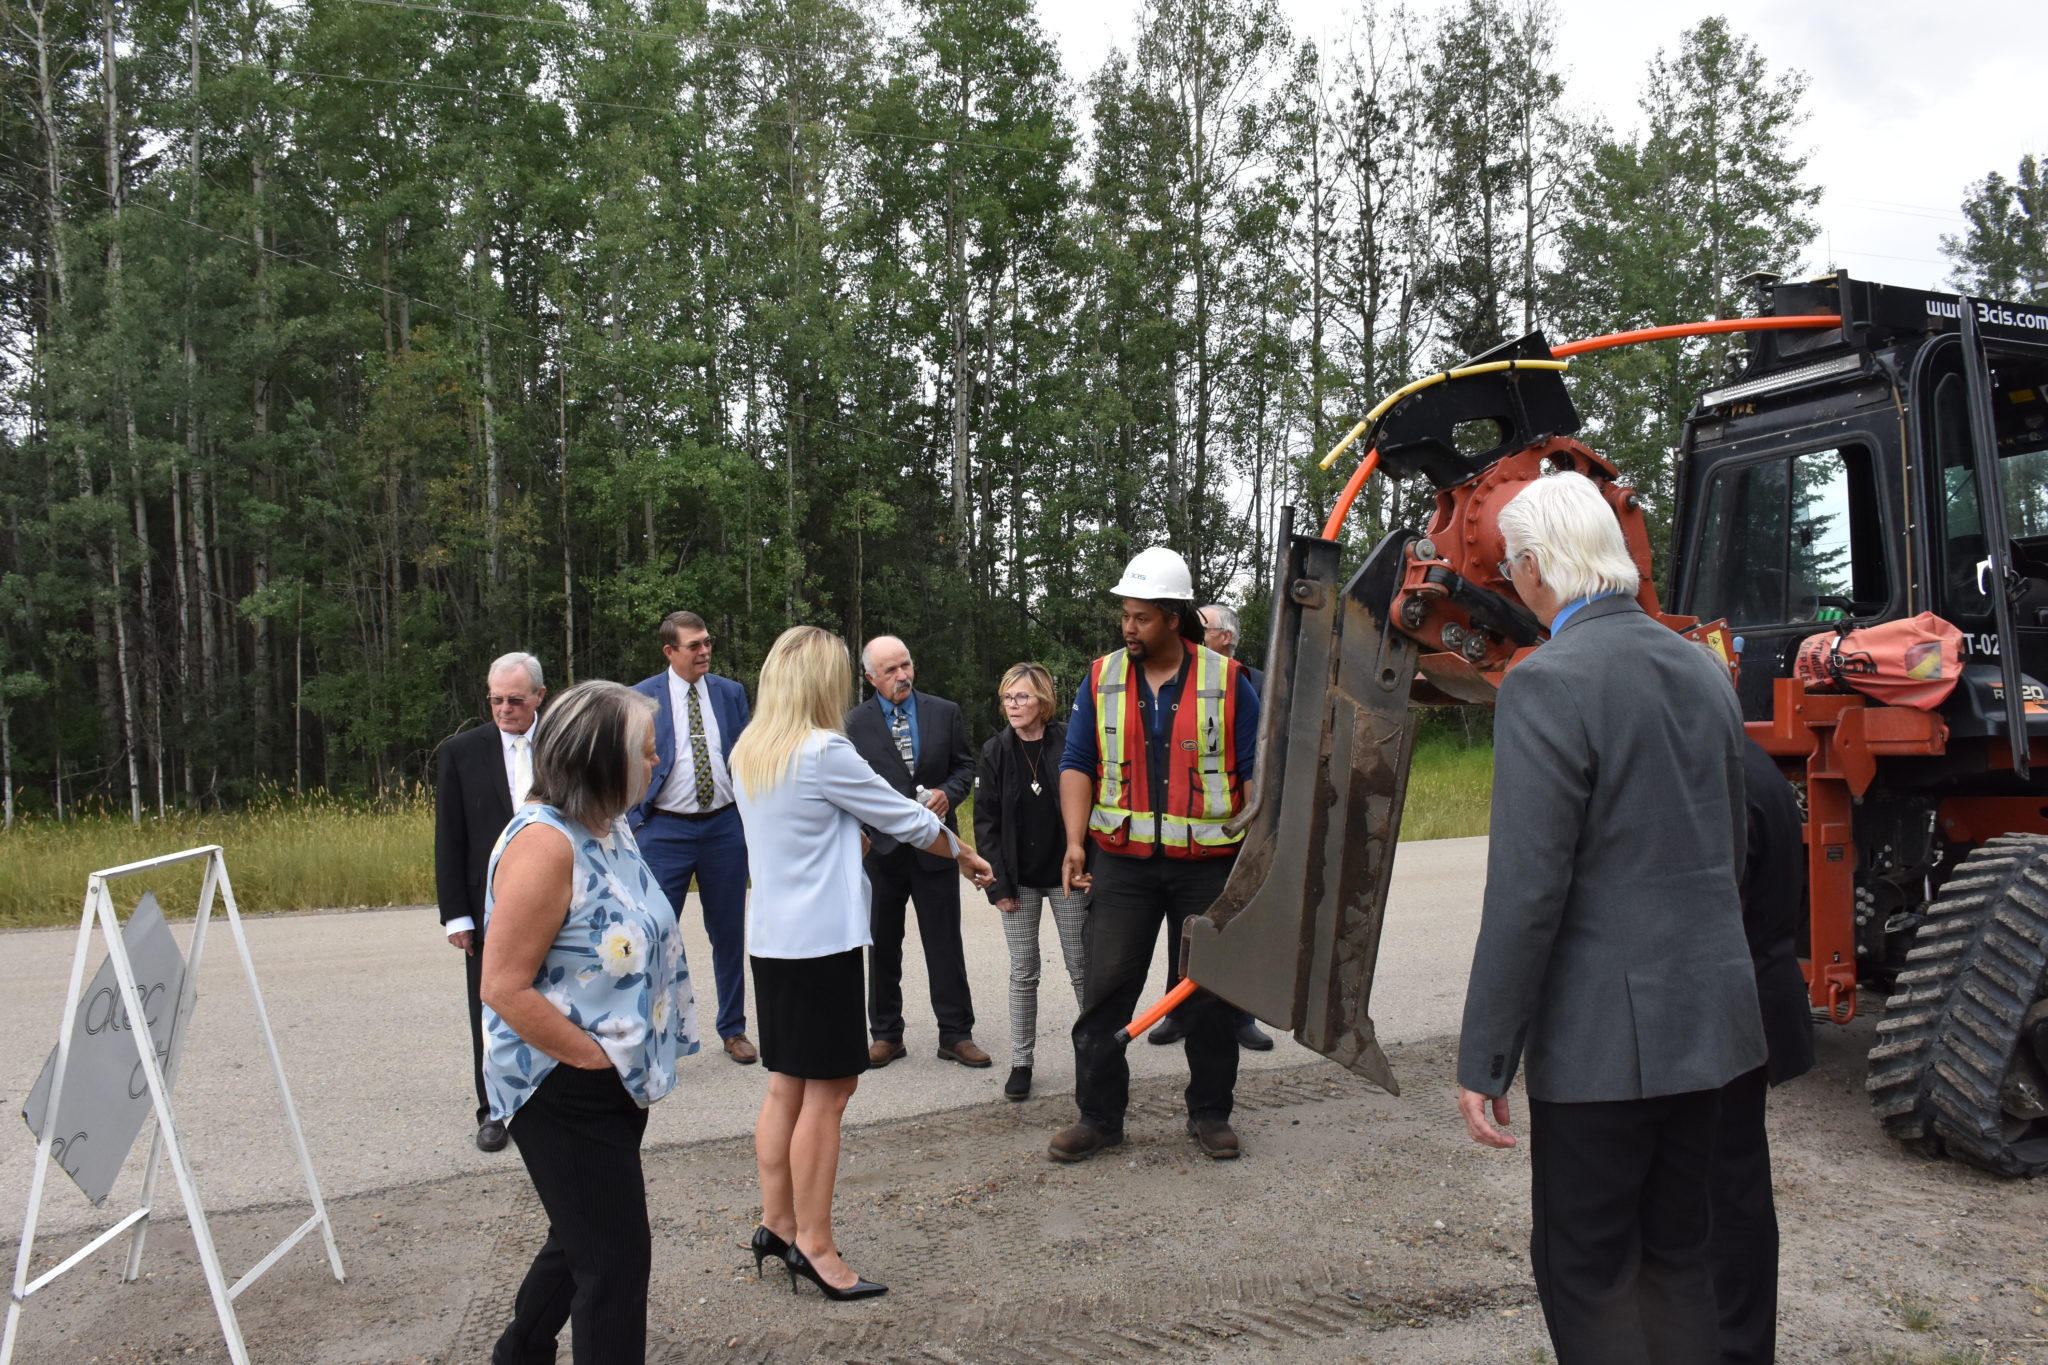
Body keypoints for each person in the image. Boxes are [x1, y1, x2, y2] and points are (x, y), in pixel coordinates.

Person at [1455, 471, 1765, 1365]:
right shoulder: (1703, 670)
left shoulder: (1547, 682)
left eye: (1514, 564)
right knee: (1678, 1258)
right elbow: (1730, 847)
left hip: (1601, 1052)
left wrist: (1485, 1056)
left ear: (1542, 564)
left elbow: (1527, 891)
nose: (1511, 581)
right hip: (1711, 1027)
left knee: (1586, 1270)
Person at [732, 626, 995, 1301]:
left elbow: (819, 833)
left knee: (786, 1084)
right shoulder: (825, 751)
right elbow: (904, 819)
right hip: (821, 944)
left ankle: (776, 1223)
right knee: (830, 1092)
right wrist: (962, 854)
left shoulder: (751, 749)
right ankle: (815, 1246)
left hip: (772, 940)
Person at [478, 680, 696, 1365]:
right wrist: (590, 1056)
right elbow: (503, 984)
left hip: (609, 1080)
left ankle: (519, 1352)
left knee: (580, 1236)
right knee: (615, 1264)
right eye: (648, 750)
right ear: (601, 758)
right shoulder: (545, 845)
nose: (658, 761)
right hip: (562, 1085)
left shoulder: (607, 821)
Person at [1051, 547, 1262, 1163]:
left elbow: (1253, 774)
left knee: (1209, 996)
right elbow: (1077, 764)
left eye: (1141, 617)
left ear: (1174, 617)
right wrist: (1073, 842)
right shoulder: (1101, 677)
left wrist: (1255, 860)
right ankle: (1098, 1118)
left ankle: (1210, 1116)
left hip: (1208, 866)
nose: (1128, 627)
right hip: (1122, 866)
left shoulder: (1230, 682)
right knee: (1104, 992)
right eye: (1125, 615)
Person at [1709, 739, 1816, 1364]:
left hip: (1729, 1007)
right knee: (1737, 1185)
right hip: (1758, 991)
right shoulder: (1759, 768)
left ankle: (1735, 1346)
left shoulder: (1724, 775)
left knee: (1726, 1197)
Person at [844, 635, 989, 1068]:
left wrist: (950, 792)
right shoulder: (851, 724)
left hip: (937, 850)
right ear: (870, 677)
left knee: (945, 943)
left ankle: (956, 1034)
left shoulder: (944, 712)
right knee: (883, 945)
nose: (902, 675)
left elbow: (965, 765)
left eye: (905, 665)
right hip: (882, 854)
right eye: (890, 670)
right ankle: (887, 1034)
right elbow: (848, 789)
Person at [1144, 604, 1273, 1054]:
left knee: (1231, 931)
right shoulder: (1180, 680)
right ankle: (1176, 1010)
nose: (1194, 633)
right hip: (1184, 833)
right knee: (1184, 931)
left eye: (1205, 626)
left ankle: (1241, 1015)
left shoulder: (1253, 684)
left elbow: (1264, 758)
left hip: (1237, 834)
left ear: (1227, 638)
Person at [631, 611, 756, 1064]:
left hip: (724, 826)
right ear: (669, 652)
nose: (704, 651)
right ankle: (655, 1033)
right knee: (657, 932)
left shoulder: (730, 693)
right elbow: (630, 763)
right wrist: (636, 822)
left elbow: (744, 758)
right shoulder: (641, 697)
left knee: (728, 931)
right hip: (664, 828)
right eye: (694, 646)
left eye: (707, 642)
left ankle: (733, 1029)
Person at [435, 651, 547, 1153]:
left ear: (539, 697)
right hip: (488, 908)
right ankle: (494, 1109)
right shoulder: (461, 753)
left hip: (557, 900)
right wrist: (456, 915)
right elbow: (449, 839)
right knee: (489, 1007)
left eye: (516, 700)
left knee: (556, 1000)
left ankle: (549, 1098)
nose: (504, 709)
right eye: (496, 700)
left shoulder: (565, 742)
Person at [974, 663, 1089, 1102]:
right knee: (1024, 972)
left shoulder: (1070, 742)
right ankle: (1022, 1061)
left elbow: (1091, 805)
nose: (1013, 705)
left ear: (1042, 700)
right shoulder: (996, 751)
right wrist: (997, 886)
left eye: (1021, 697)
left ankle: (1093, 1054)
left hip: (1067, 878)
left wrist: (1088, 863)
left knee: (1082, 966)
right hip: (1017, 882)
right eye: (1007, 698)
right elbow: (985, 823)